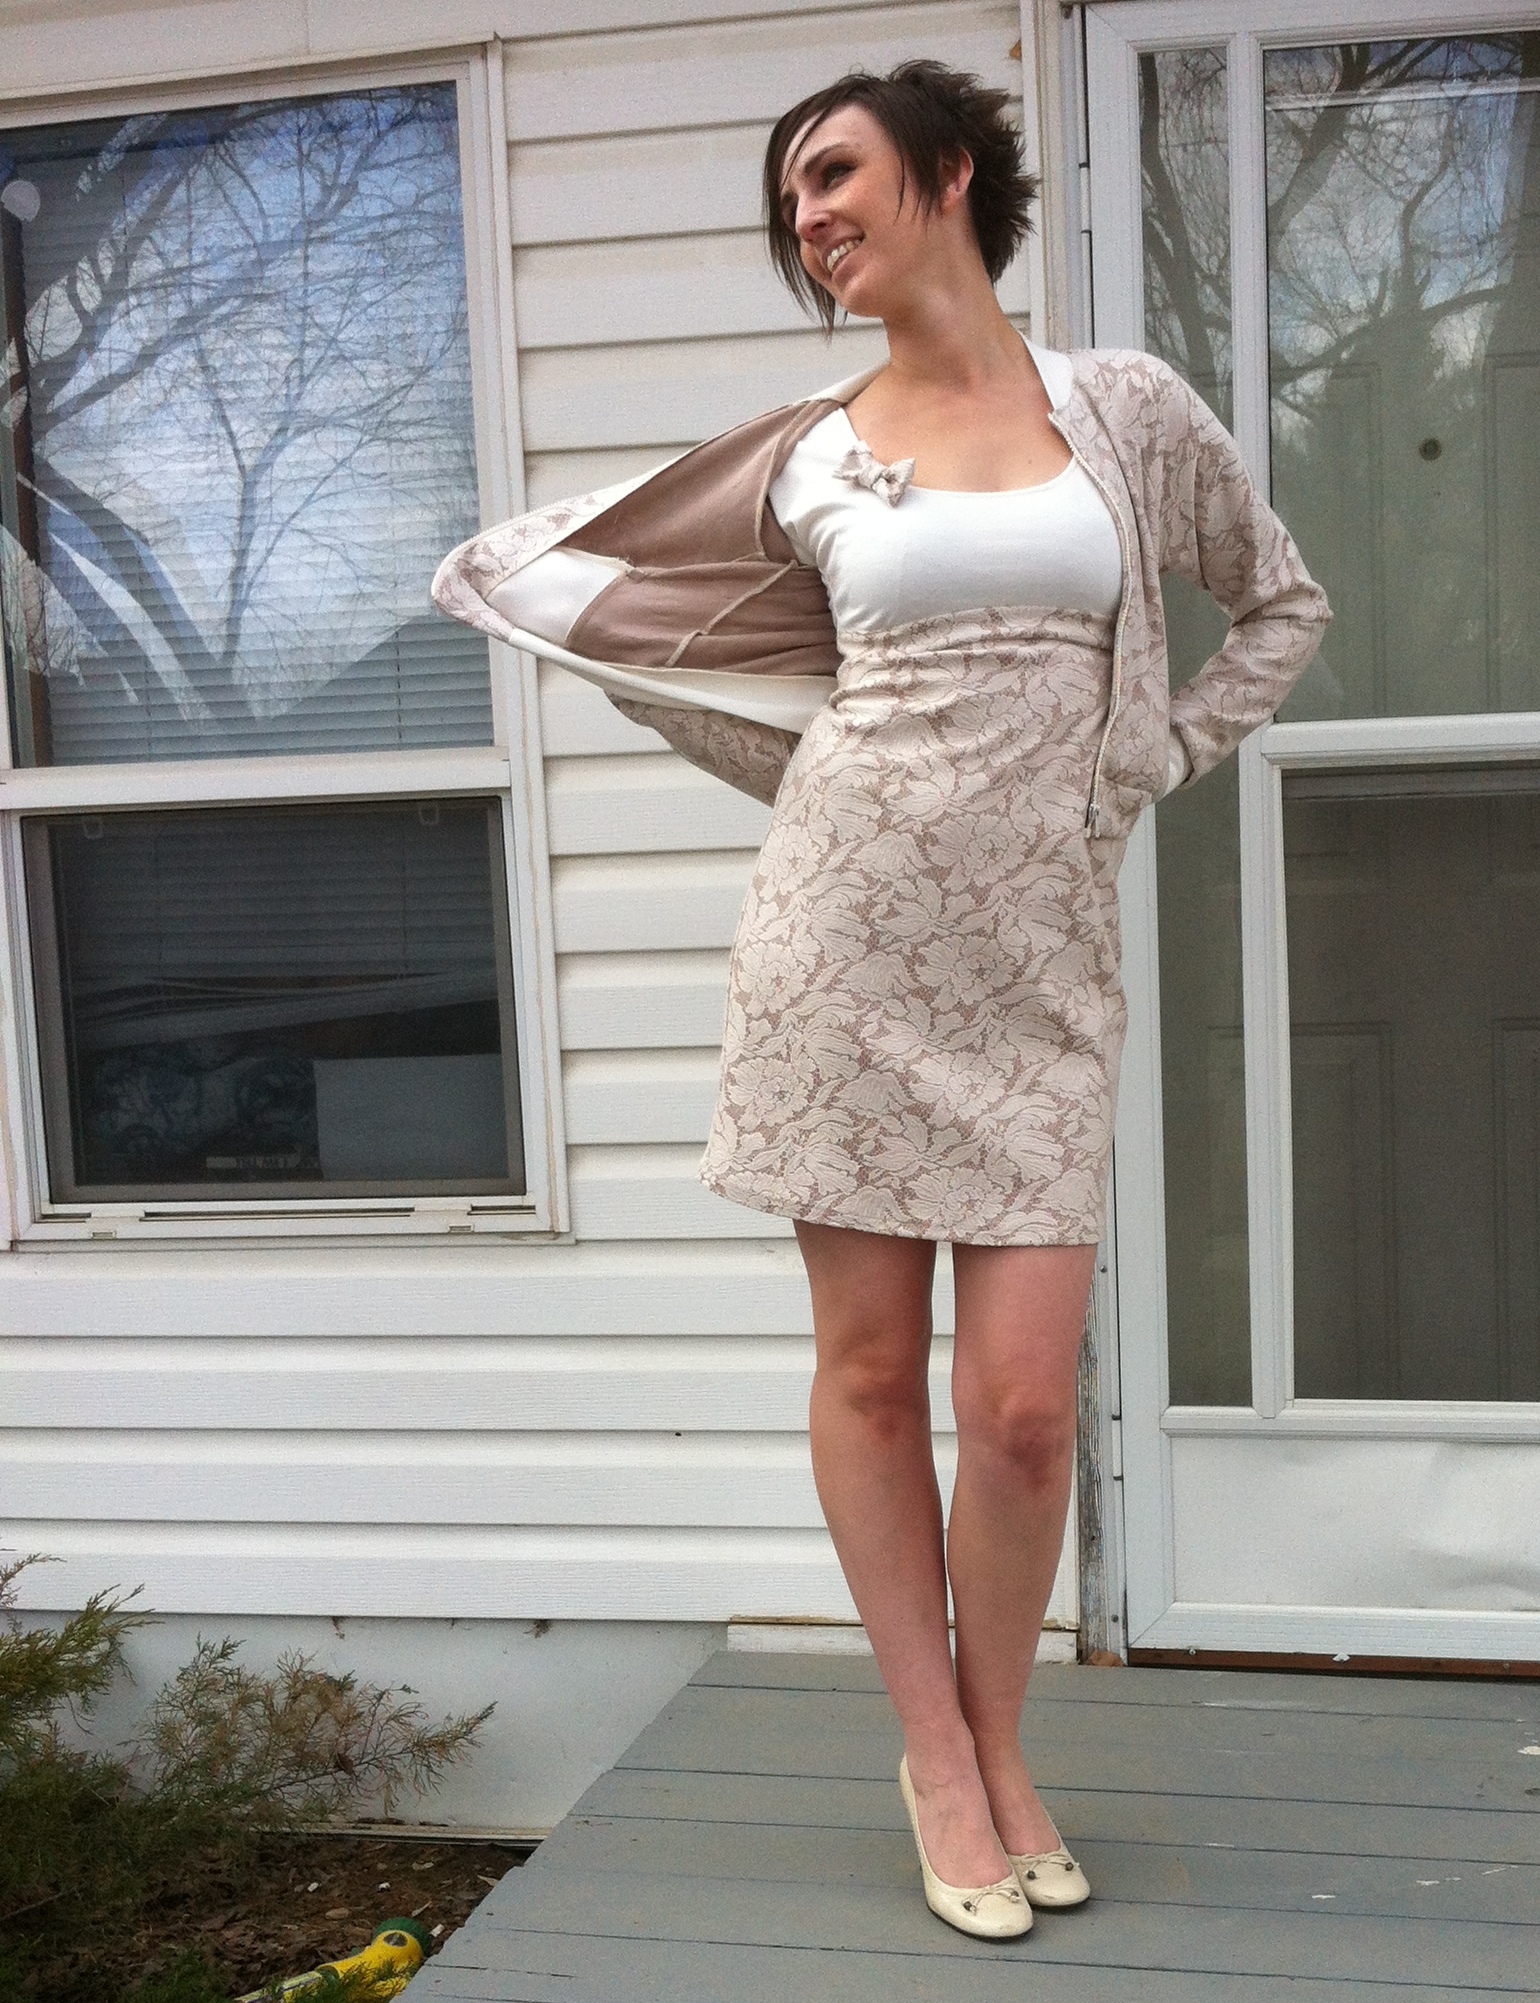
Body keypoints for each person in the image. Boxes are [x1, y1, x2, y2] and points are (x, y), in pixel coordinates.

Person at [433, 60, 1329, 1941]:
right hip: (840, 949)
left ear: (948, 171)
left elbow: (1281, 605)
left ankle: (1004, 1745)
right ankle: (940, 1759)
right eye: (791, 200)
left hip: (1044, 968)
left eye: (834, 172)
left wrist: (1158, 751)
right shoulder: (805, 456)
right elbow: (594, 605)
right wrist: (814, 769)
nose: (811, 215)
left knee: (1019, 1411)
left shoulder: (1123, 408)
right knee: (864, 1371)